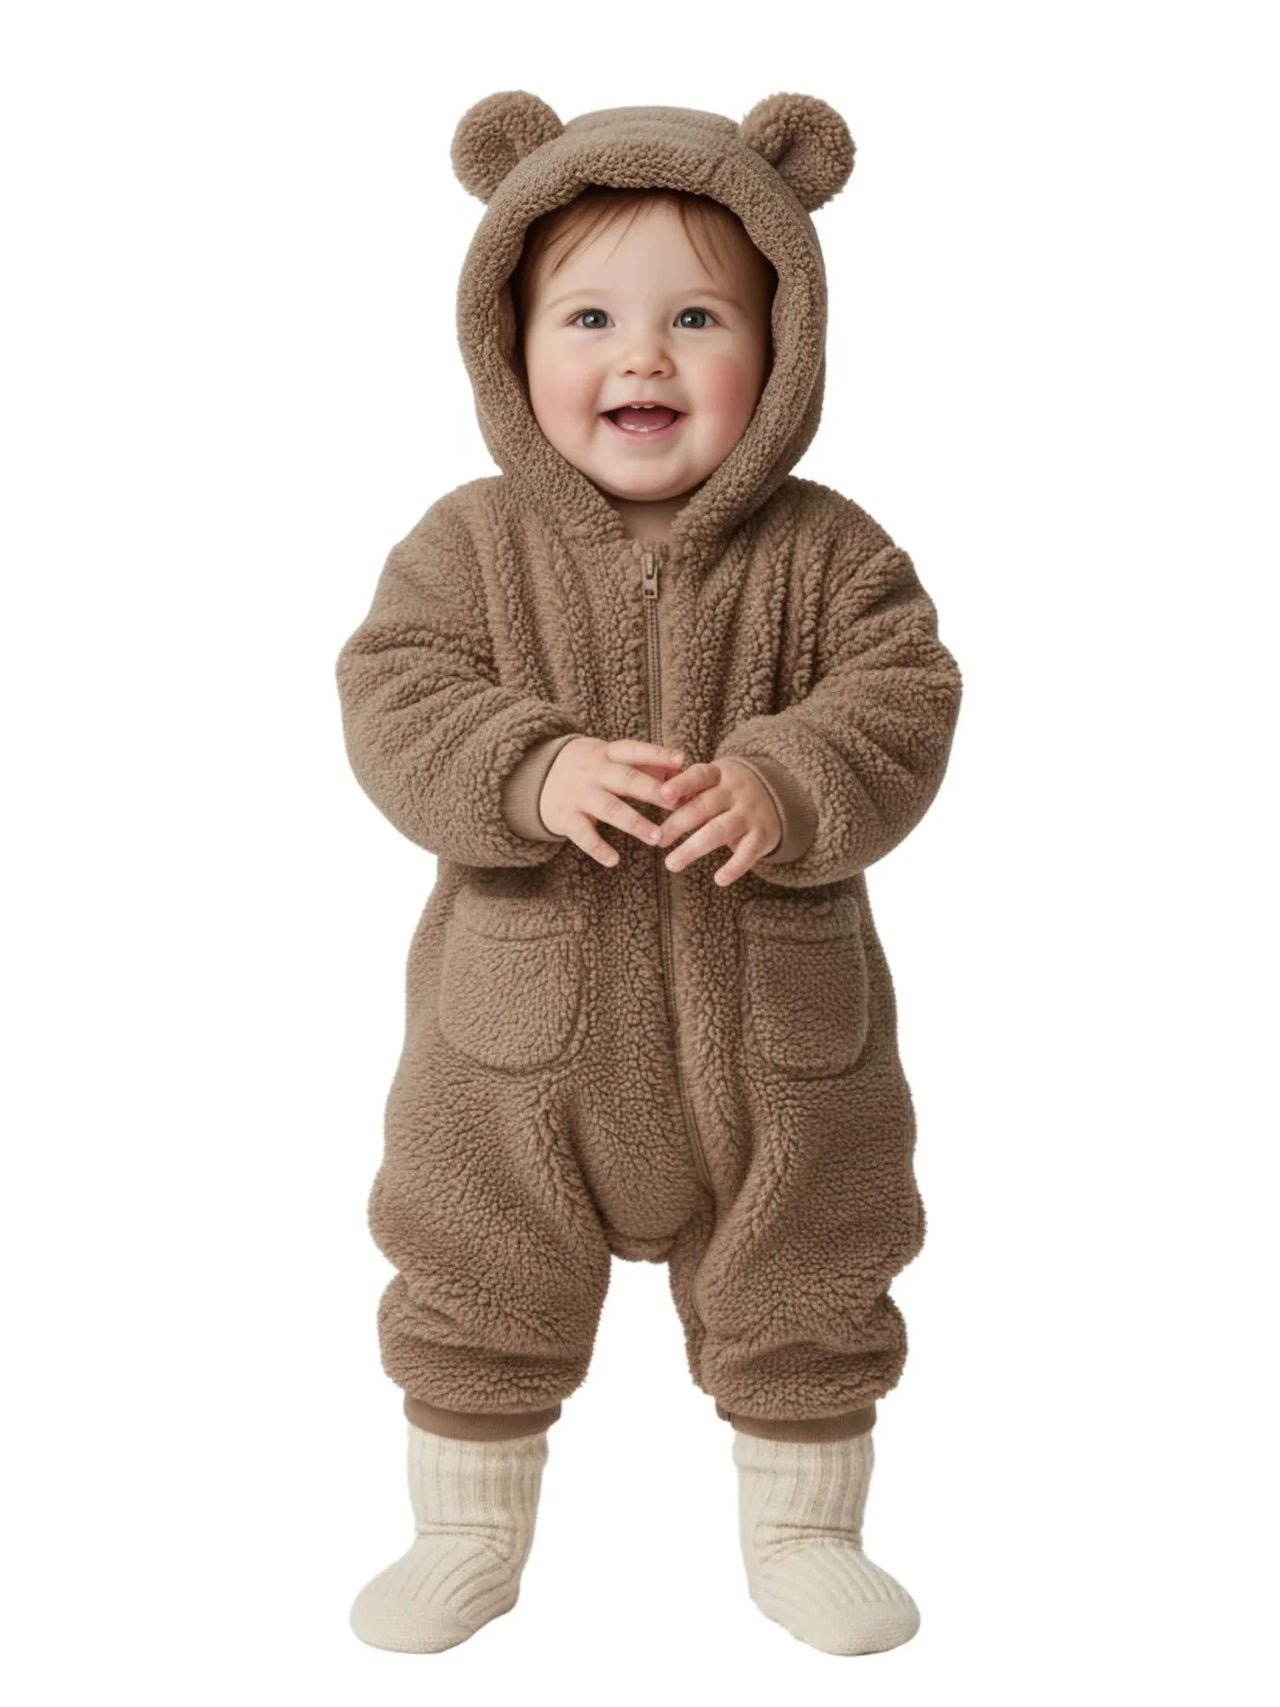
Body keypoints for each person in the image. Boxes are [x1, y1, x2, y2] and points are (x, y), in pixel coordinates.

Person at [335, 91, 963, 1657]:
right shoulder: (467, 548)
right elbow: (394, 696)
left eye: (698, 317)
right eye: (591, 318)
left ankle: (806, 1529)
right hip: (514, 1049)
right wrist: (528, 766)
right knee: (475, 1259)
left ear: (784, 345)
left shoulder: (831, 554)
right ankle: (464, 1530)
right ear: (508, 343)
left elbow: (903, 699)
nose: (645, 359)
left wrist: (787, 779)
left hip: (777, 1043)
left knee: (813, 1261)